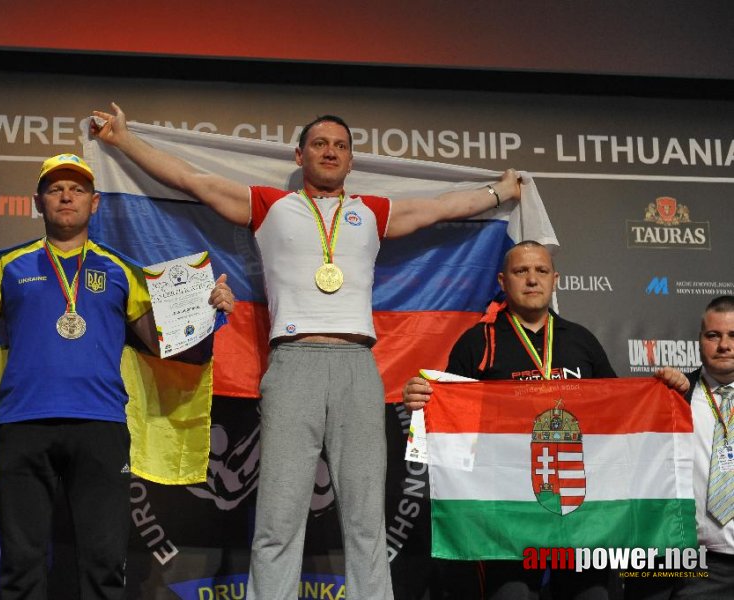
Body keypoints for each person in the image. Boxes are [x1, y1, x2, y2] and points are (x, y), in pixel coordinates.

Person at [90, 103, 523, 600]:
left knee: (366, 518)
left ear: (351, 160)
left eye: (340, 145)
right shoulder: (271, 206)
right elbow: (193, 180)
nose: (330, 151)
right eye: (320, 144)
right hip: (293, 365)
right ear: (300, 154)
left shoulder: (371, 212)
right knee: (279, 515)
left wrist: (499, 193)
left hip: (358, 367)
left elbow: (440, 208)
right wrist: (123, 142)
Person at [0, 153, 234, 600]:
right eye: (55, 189)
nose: (66, 196)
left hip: (100, 426)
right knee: (21, 563)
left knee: (104, 562)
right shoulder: (9, 267)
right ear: (38, 202)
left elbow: (162, 342)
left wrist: (208, 312)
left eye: (77, 189)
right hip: (22, 426)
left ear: (95, 203)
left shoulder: (120, 269)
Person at [402, 240, 689, 600]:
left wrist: (662, 389)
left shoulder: (581, 340)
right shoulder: (476, 342)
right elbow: (450, 426)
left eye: (541, 271)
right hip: (505, 511)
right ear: (503, 281)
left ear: (555, 279)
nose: (532, 280)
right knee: (512, 596)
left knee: (593, 597)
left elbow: (620, 417)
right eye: (521, 272)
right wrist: (421, 399)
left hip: (580, 508)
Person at [669, 295, 734, 598]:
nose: (724, 345)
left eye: (733, 335)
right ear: (699, 340)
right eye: (713, 335)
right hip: (701, 570)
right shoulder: (673, 400)